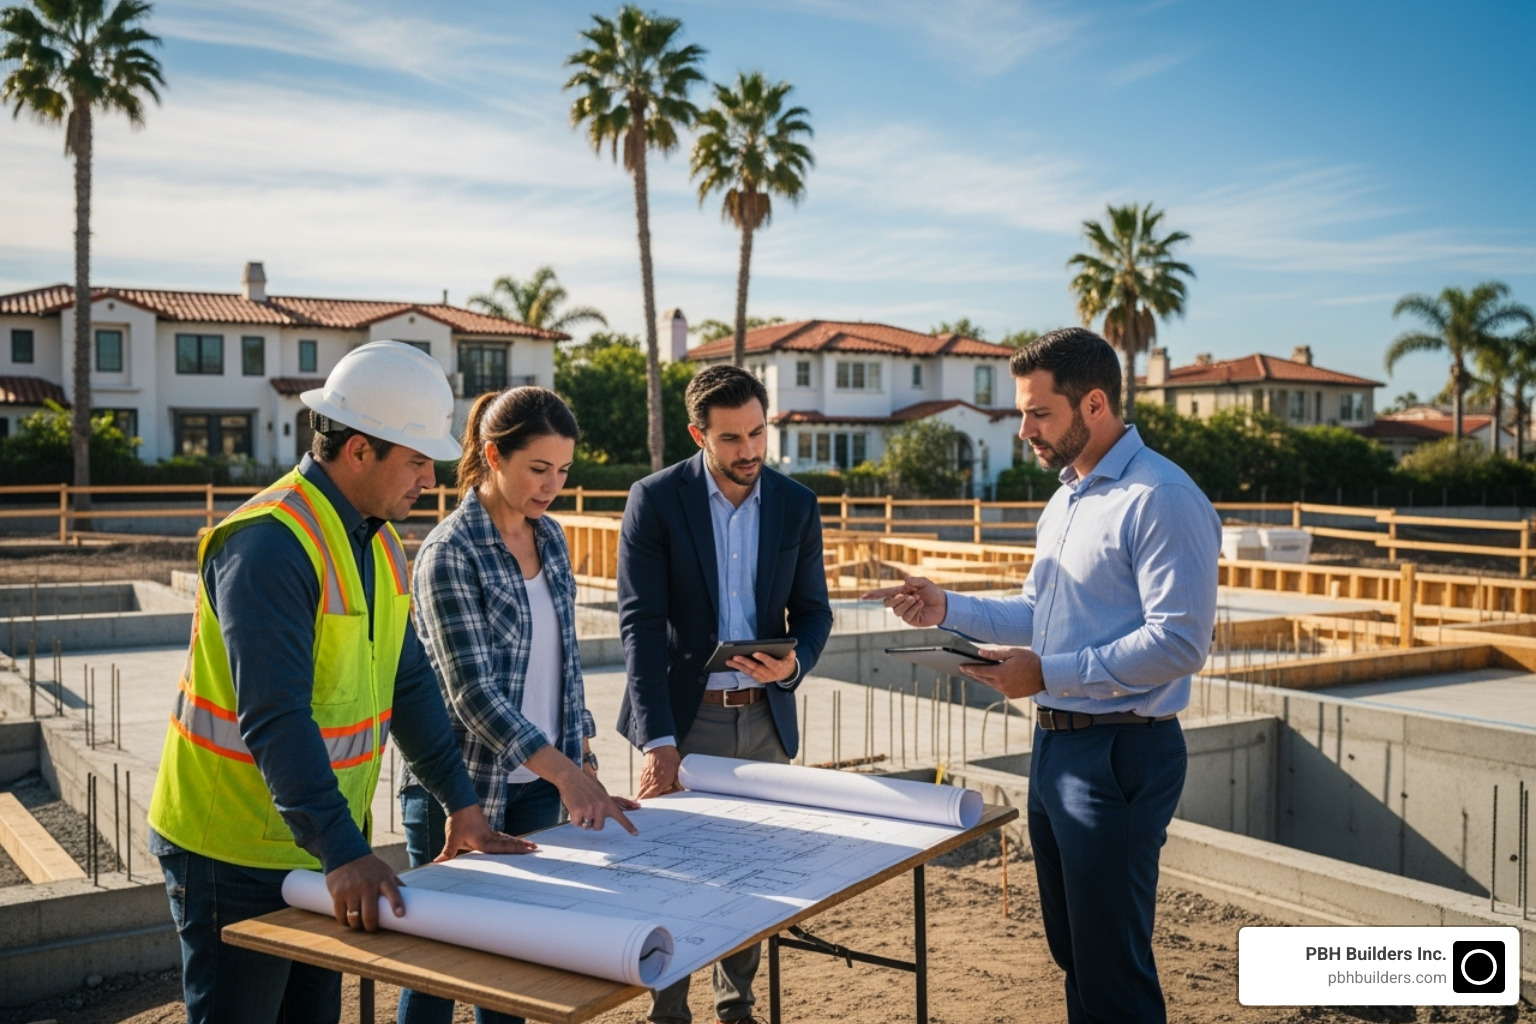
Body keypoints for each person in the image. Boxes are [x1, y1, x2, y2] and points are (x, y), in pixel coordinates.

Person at [146, 341, 534, 1024]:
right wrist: (346, 851)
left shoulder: (376, 538)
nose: (428, 479)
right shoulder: (268, 544)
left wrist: (462, 806)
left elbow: (407, 683)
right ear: (359, 450)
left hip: (313, 844)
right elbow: (274, 715)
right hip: (230, 852)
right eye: (416, 460)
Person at [865, 327, 1220, 1024]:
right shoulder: (1067, 499)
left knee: (1112, 967)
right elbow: (1041, 611)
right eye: (1021, 412)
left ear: (1094, 405)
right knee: (1075, 955)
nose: (1023, 429)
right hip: (1057, 747)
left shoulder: (1161, 498)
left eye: (1038, 412)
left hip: (1121, 752)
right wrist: (949, 607)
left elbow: (1179, 643)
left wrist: (1048, 672)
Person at [397, 386, 640, 1024]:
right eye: (538, 469)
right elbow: (469, 692)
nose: (552, 485)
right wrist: (568, 775)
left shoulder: (553, 538)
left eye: (563, 470)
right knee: (437, 967)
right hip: (460, 792)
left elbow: (565, 670)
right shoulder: (448, 553)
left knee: (513, 971)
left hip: (538, 790)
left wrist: (581, 767)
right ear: (493, 455)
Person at [618, 364, 834, 1024]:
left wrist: (789, 672)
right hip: (686, 725)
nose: (749, 451)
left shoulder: (796, 504)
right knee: (676, 877)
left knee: (755, 877)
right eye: (732, 438)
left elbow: (815, 613)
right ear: (698, 433)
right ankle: (668, 1012)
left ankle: (735, 1006)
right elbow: (640, 626)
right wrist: (659, 743)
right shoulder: (654, 499)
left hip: (766, 719)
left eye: (758, 433)